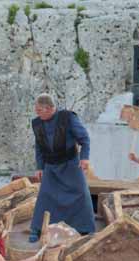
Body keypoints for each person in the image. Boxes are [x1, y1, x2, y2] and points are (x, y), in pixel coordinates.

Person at [30, 94, 96, 241]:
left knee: (81, 194)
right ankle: (38, 229)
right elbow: (39, 148)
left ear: (49, 108)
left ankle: (86, 229)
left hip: (71, 164)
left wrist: (84, 158)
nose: (37, 113)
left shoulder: (68, 118)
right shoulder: (37, 123)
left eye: (39, 110)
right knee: (45, 196)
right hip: (51, 166)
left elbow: (84, 139)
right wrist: (40, 167)